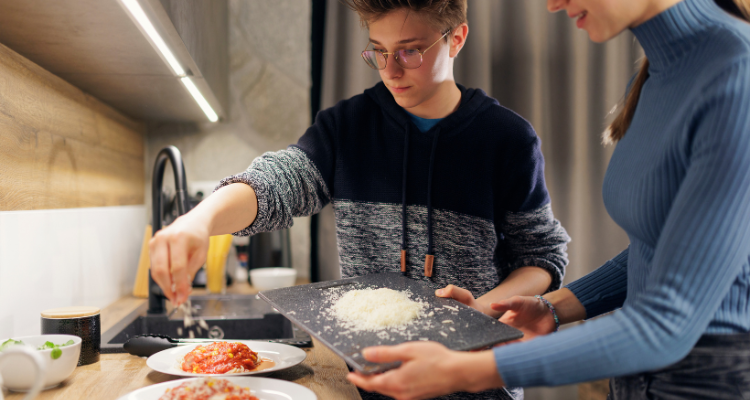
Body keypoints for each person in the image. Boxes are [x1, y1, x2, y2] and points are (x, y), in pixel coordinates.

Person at [149, 1, 570, 399]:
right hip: (370, 387)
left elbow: (542, 256)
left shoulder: (508, 139)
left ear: (456, 38)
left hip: (480, 384)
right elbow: (277, 182)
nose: (391, 71)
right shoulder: (346, 127)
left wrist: (479, 310)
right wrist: (199, 220)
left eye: (410, 53)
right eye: (378, 52)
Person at [347, 0, 750, 399]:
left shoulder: (737, 73)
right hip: (637, 379)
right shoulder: (658, 72)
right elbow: (660, 251)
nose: (554, 3)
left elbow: (669, 324)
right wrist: (553, 308)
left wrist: (469, 370)